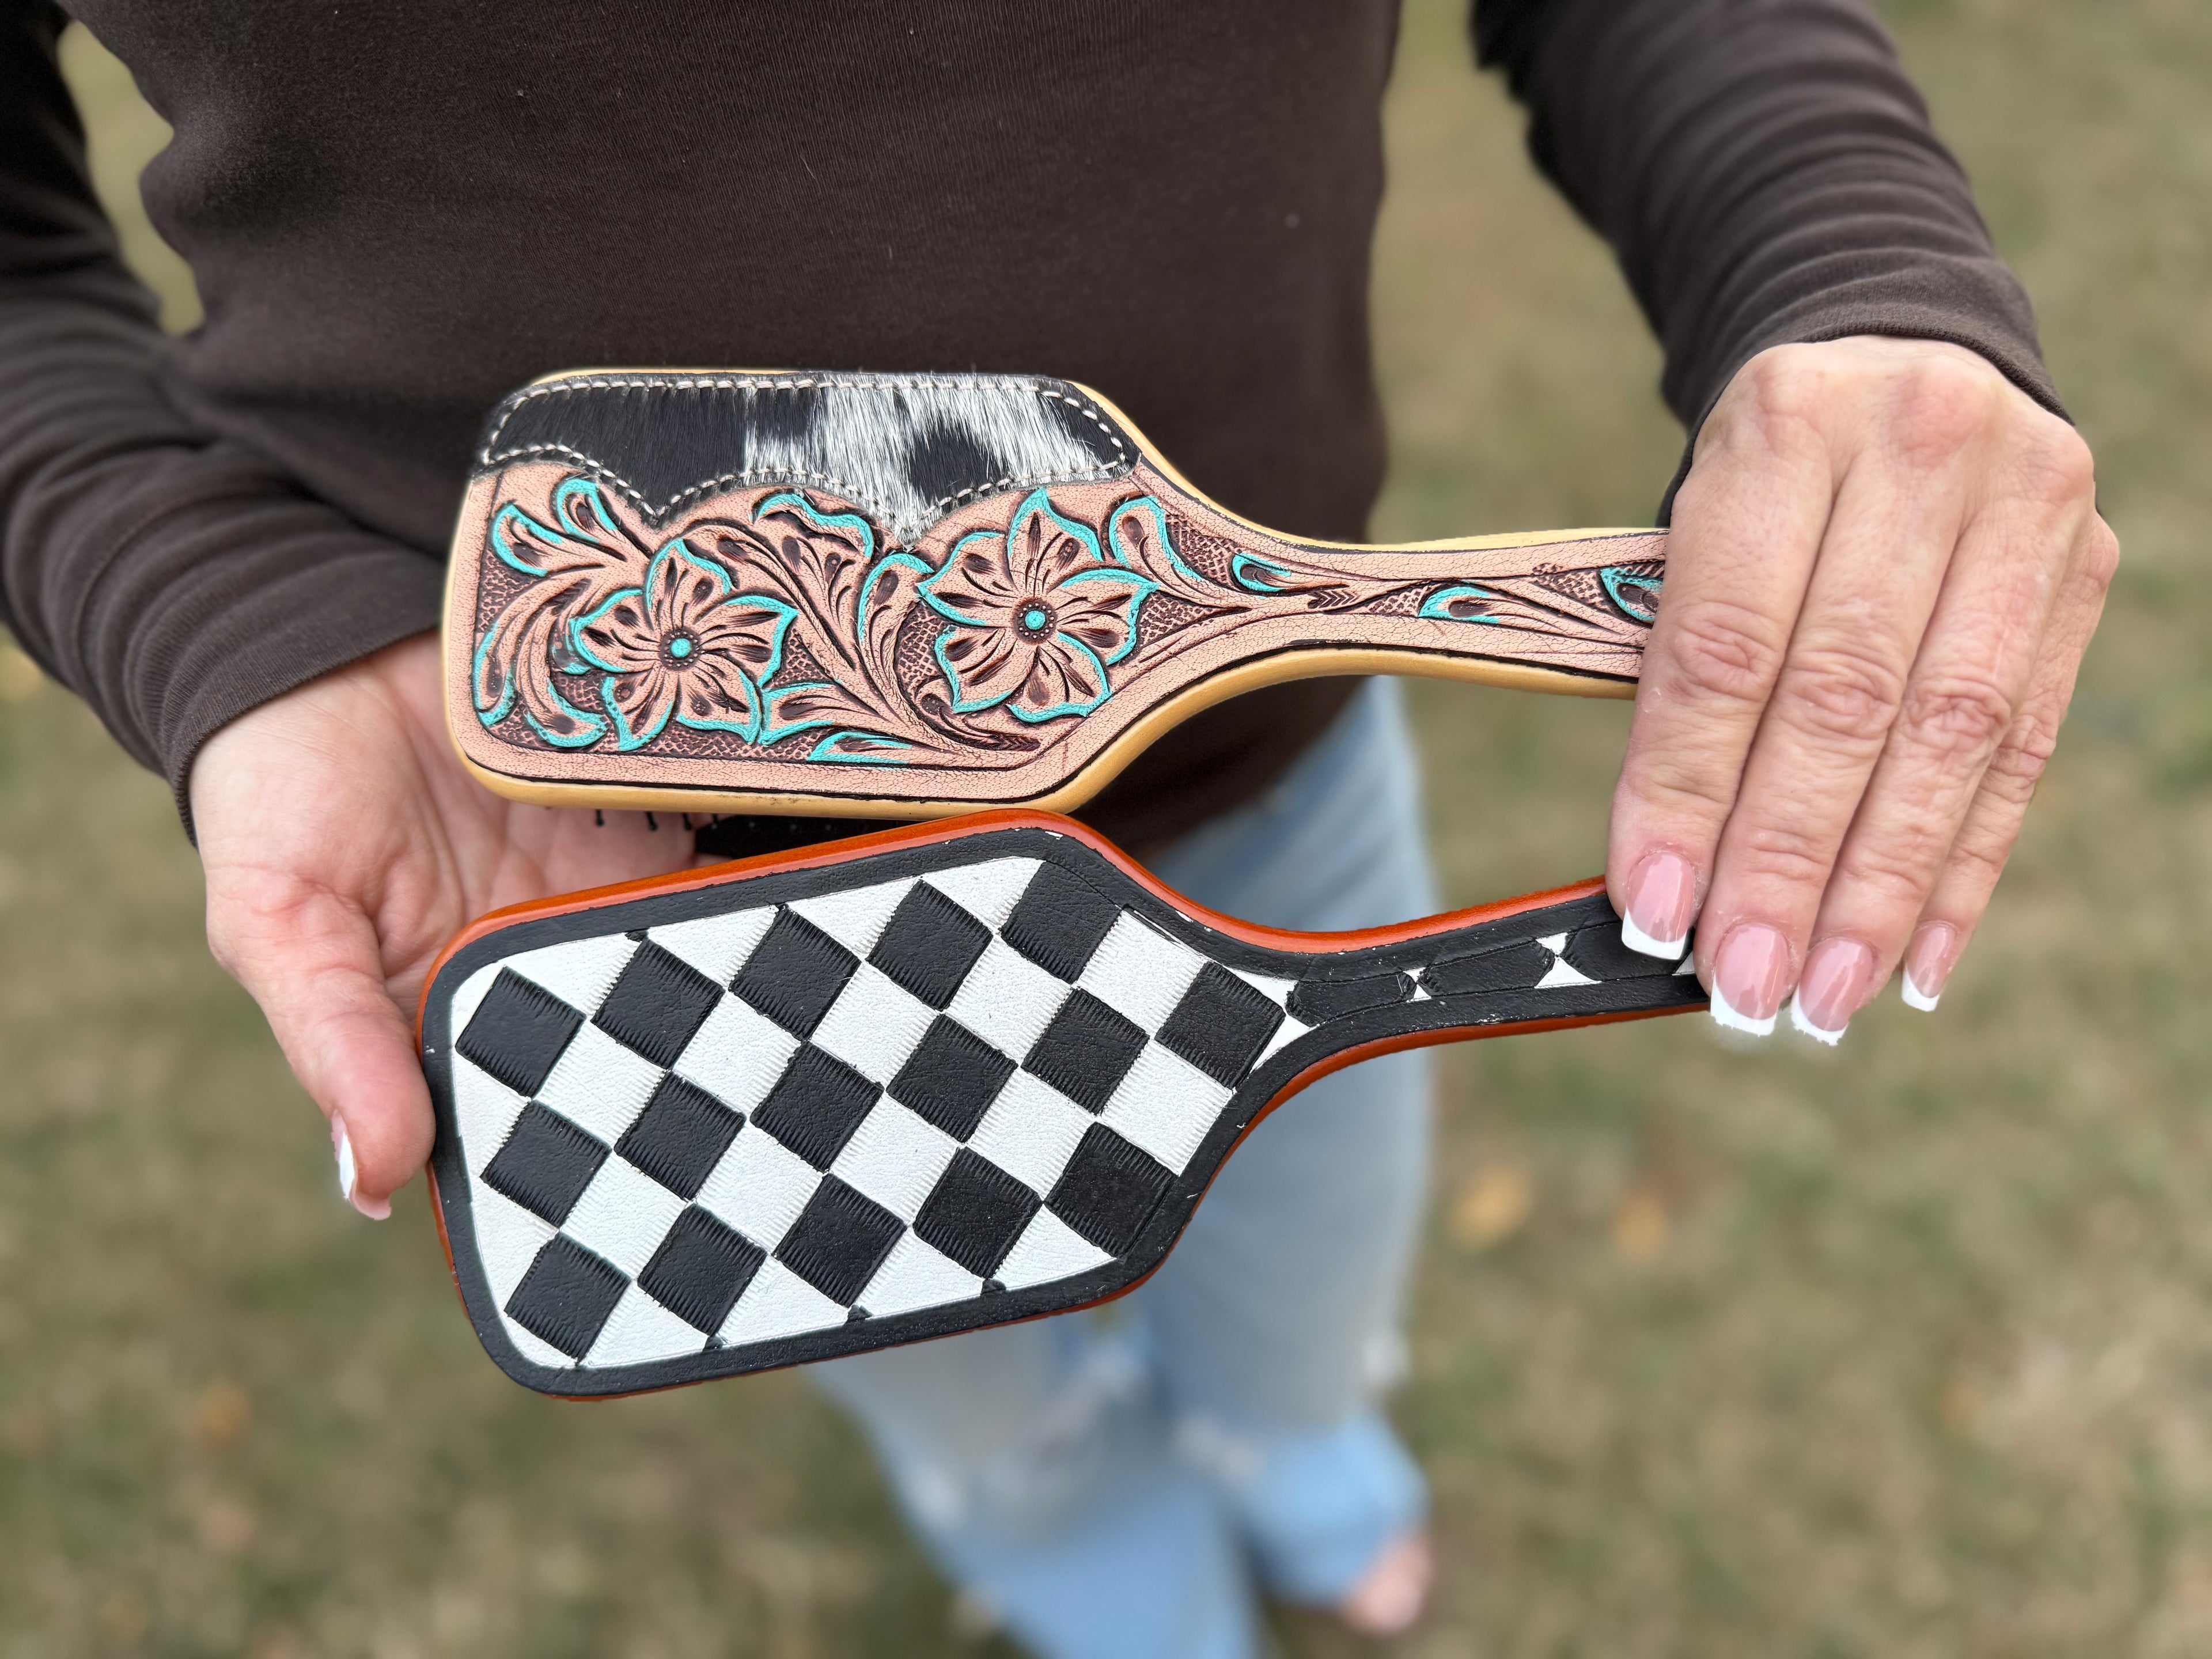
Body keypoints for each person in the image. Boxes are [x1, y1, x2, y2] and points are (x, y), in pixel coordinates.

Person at [0, 1, 2113, 1652]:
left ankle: (1292, 1437)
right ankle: (1079, 1534)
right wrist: (232, 620)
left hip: (1269, 779)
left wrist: (1847, 251)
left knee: (1310, 1267)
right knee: (967, 1396)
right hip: (616, 904)